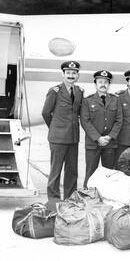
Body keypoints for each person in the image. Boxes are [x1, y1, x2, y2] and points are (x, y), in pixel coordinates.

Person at [42, 61, 83, 199]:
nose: (71, 76)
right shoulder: (55, 91)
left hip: (73, 138)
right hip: (58, 138)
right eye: (68, 73)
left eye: (74, 73)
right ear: (63, 74)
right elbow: (46, 113)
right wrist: (55, 128)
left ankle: (70, 200)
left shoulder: (79, 91)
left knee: (72, 171)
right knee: (56, 171)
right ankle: (53, 201)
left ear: (77, 75)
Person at [80, 70, 122, 187]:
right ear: (95, 84)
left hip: (110, 143)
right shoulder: (87, 101)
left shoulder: (115, 100)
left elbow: (119, 120)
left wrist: (109, 137)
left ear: (109, 84)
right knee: (90, 173)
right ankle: (87, 197)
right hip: (93, 144)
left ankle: (106, 199)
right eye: (100, 82)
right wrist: (98, 138)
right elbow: (85, 121)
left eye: (106, 82)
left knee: (108, 174)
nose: (103, 84)